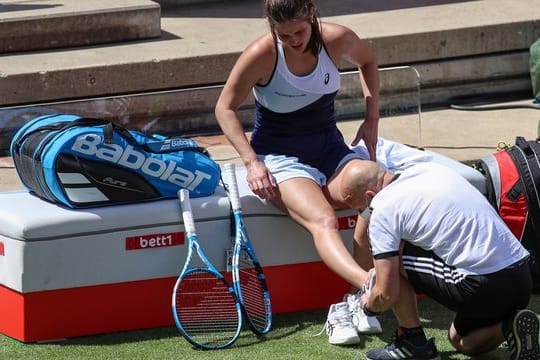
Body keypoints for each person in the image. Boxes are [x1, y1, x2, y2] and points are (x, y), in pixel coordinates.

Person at [214, 0, 381, 344]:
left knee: (375, 189)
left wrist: (372, 118)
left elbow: (367, 60)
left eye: (300, 32)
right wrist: (251, 161)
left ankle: (353, 301)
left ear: (312, 14)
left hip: (330, 149)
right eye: (283, 34)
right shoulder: (262, 53)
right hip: (280, 158)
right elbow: (224, 107)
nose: (293, 40)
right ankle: (372, 284)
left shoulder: (338, 38)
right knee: (324, 220)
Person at [340, 160, 540, 360]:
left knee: (390, 265)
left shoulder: (382, 207)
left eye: (360, 210)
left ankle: (411, 342)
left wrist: (368, 305)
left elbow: (386, 294)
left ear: (370, 196)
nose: (364, 215)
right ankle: (511, 325)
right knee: (461, 341)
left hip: (483, 284)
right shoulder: (429, 169)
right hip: (522, 275)